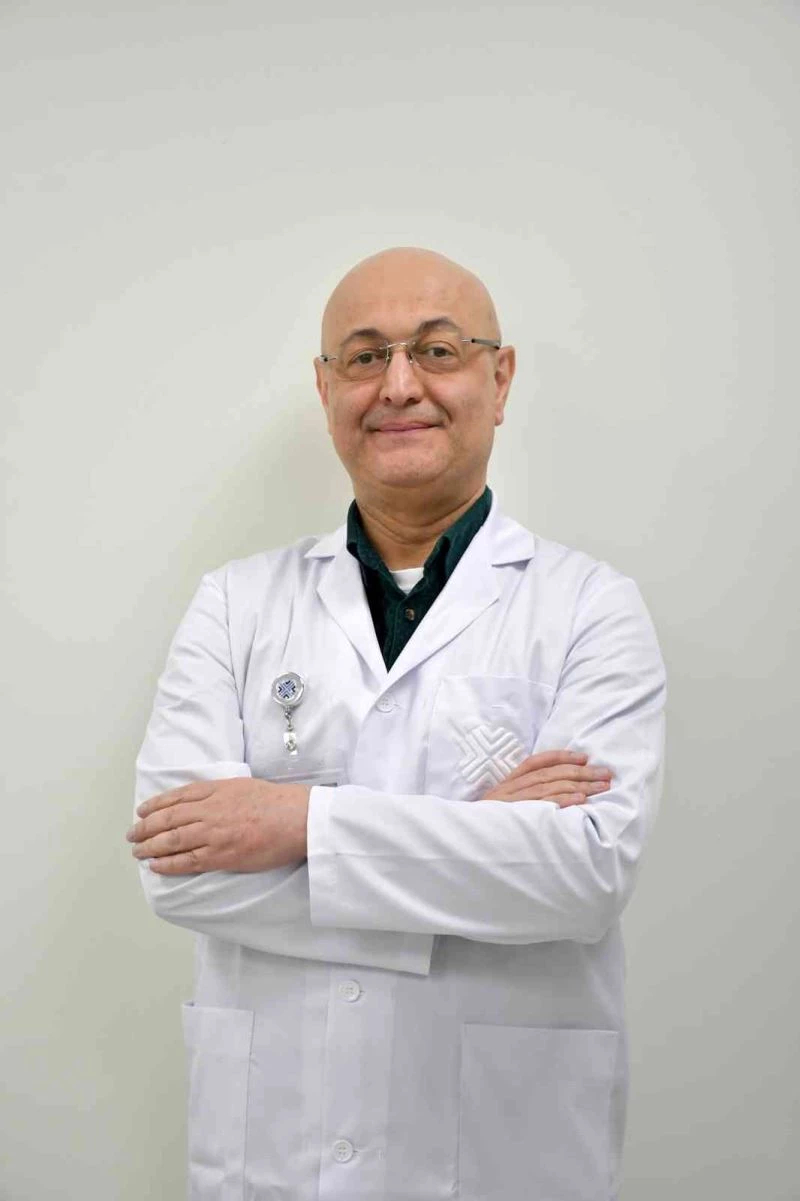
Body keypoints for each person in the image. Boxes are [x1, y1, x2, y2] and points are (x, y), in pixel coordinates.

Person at [128, 246, 666, 1201]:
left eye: (438, 350)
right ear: (326, 387)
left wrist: (294, 821)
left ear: (500, 379)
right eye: (366, 356)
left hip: (502, 1153)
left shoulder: (591, 607)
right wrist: (477, 843)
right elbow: (179, 869)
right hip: (275, 1153)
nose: (400, 385)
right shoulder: (234, 604)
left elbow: (582, 874)